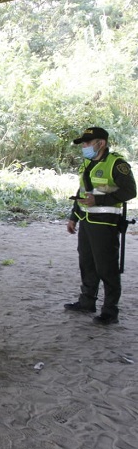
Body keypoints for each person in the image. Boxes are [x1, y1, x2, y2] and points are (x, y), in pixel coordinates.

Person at [64, 127, 136, 325]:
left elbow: (130, 191)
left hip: (106, 224)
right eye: (84, 144)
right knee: (87, 264)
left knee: (107, 268)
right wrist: (74, 217)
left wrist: (100, 200)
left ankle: (110, 311)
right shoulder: (87, 163)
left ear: (101, 143)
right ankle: (87, 302)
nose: (85, 147)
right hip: (87, 221)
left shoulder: (116, 164)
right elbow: (82, 191)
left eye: (87, 143)